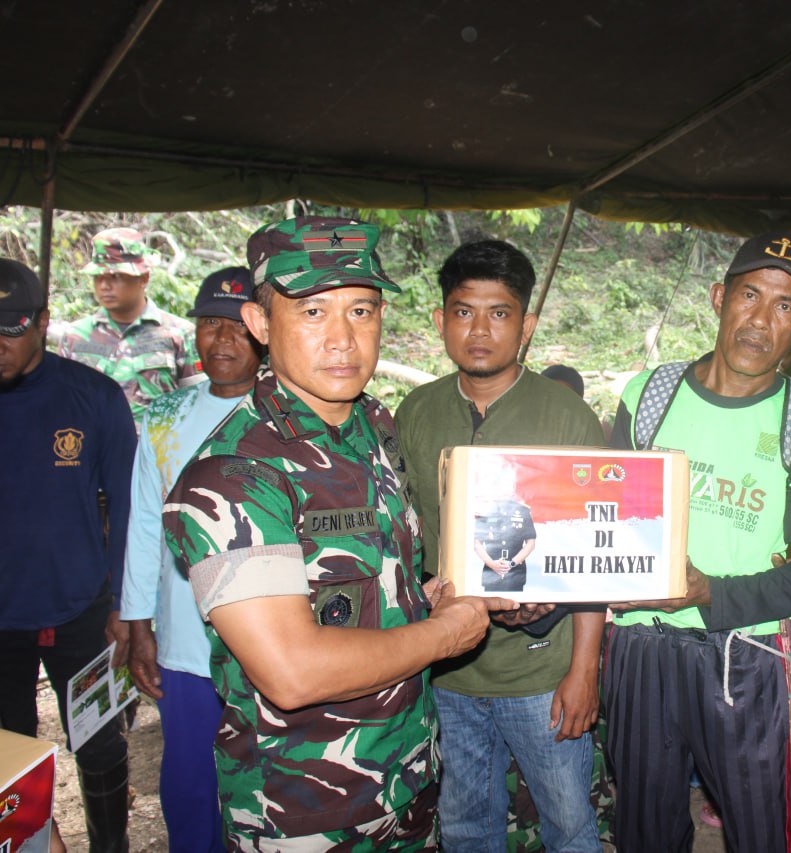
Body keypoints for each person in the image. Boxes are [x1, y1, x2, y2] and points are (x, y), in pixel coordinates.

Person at [162, 217, 509, 849]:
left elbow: (378, 584)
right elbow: (291, 671)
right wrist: (443, 634)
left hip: (406, 778)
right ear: (259, 323)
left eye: (361, 311)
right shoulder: (233, 477)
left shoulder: (371, 426)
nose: (343, 339)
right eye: (313, 311)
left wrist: (437, 597)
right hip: (305, 812)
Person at [605, 231, 791, 852]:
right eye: (749, 295)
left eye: (784, 306)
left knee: (760, 828)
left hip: (746, 655)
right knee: (644, 825)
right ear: (720, 298)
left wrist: (710, 592)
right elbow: (605, 515)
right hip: (640, 644)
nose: (761, 320)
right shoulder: (648, 397)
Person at [395, 239, 605, 853]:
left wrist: (584, 670)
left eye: (499, 313)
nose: (480, 330)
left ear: (526, 325)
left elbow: (597, 551)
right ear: (441, 320)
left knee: (570, 823)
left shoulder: (567, 417)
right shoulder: (416, 412)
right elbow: (406, 535)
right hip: (448, 672)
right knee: (465, 823)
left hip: (541, 671)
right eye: (464, 312)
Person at [119, 266, 260, 852]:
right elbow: (143, 526)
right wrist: (138, 626)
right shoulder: (163, 418)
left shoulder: (289, 415)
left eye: (237, 327)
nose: (222, 340)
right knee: (189, 783)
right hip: (185, 640)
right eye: (210, 324)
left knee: (264, 786)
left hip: (268, 642)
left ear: (263, 330)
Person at [0, 257, 134, 852]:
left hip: (83, 610)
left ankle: (111, 845)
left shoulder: (92, 397)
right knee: (10, 753)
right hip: (1, 619)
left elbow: (128, 507)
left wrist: (126, 604)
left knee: (100, 743)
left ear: (42, 322)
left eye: (10, 328)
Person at [58, 227, 198, 427]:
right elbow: (61, 405)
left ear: (144, 278)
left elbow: (198, 403)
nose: (104, 286)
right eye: (98, 277)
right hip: (92, 444)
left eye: (116, 276)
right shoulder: (75, 337)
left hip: (156, 444)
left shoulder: (179, 334)